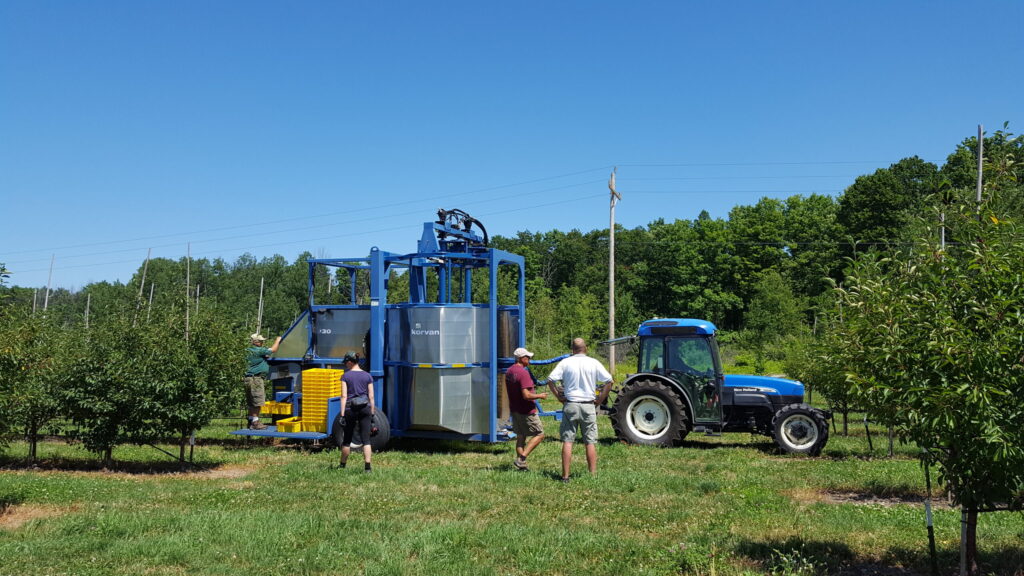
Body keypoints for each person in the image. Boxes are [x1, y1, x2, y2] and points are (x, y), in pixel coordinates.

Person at [547, 338, 614, 483]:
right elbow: (609, 381)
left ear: (572, 349)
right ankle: (592, 475)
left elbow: (550, 379)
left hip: (570, 404)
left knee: (568, 441)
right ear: (586, 348)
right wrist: (600, 400)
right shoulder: (593, 362)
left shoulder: (566, 362)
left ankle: (565, 476)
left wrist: (559, 397)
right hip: (588, 404)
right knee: (590, 441)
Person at [505, 347, 548, 471]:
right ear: (521, 358)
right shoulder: (523, 373)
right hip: (526, 411)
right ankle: (522, 458)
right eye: (528, 357)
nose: (529, 359)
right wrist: (540, 395)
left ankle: (522, 467)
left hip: (515, 409)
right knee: (540, 434)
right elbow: (527, 395)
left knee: (521, 437)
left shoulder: (509, 371)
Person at [339, 352, 375, 472]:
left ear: (350, 362)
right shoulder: (368, 376)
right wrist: (373, 414)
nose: (345, 365)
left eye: (345, 363)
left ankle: (342, 466)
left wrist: (342, 414)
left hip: (350, 408)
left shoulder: (346, 376)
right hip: (365, 408)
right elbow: (371, 397)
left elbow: (344, 396)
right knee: (366, 439)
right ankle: (367, 468)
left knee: (347, 439)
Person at [245, 333, 281, 430]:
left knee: (252, 401)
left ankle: (251, 420)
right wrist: (278, 340)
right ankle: (256, 423)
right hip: (256, 379)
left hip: (248, 379)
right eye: (260, 341)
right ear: (255, 342)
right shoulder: (258, 350)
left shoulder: (248, 351)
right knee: (258, 401)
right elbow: (273, 350)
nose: (262, 342)